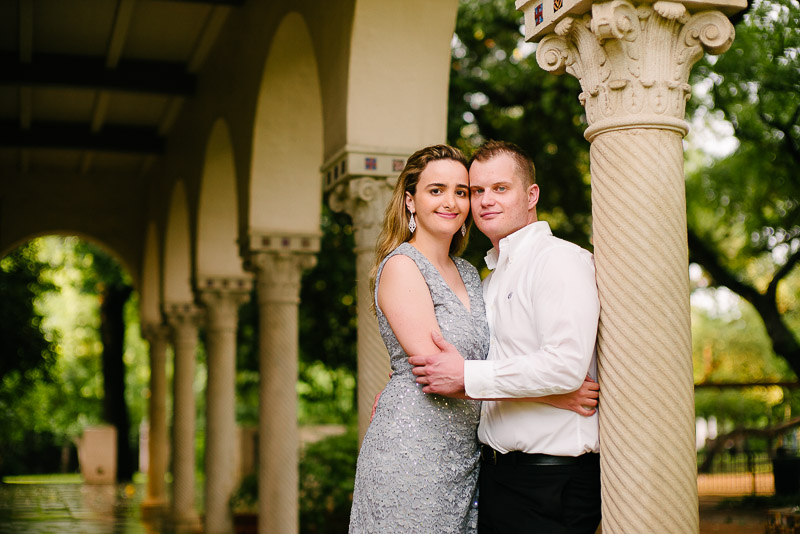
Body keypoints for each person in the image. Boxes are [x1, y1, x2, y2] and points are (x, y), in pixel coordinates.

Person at [349, 144, 598, 534]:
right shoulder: (402, 265)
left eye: (461, 191)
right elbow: (440, 375)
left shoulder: (473, 273)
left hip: (469, 459)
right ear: (410, 201)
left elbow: (478, 364)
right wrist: (556, 395)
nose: (455, 201)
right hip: (415, 448)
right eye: (437, 190)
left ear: (531, 196)